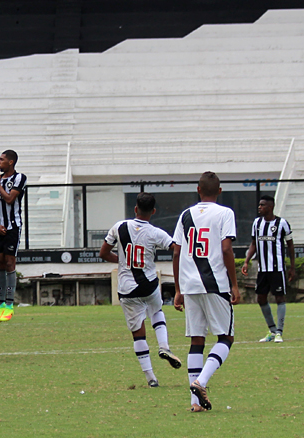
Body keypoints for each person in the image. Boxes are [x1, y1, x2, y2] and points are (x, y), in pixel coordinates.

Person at [172, 172, 241, 412]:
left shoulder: (185, 215)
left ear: (198, 190)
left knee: (197, 340)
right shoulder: (225, 213)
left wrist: (178, 289)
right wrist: (234, 285)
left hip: (190, 285)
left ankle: (194, 403)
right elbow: (226, 249)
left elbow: (176, 252)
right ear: (219, 191)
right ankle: (200, 382)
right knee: (226, 337)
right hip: (215, 284)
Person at [99, 192, 182, 387]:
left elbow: (103, 253)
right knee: (157, 311)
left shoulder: (119, 227)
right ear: (153, 211)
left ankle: (151, 378)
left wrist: (122, 261)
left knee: (138, 333)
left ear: (135, 209)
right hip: (149, 284)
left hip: (126, 288)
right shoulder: (155, 232)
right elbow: (176, 248)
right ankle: (164, 346)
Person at [241, 195, 295, 343]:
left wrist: (292, 267)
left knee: (279, 298)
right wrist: (246, 261)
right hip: (262, 269)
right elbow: (254, 244)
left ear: (270, 207)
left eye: (262, 205)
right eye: (259, 205)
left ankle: (279, 332)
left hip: (277, 268)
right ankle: (272, 330)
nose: (259, 207)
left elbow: (290, 245)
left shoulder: (282, 223)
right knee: (261, 298)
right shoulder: (257, 223)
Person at [0, 149, 27, 323]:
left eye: (1, 159)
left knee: (10, 262)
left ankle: (9, 305)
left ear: (10, 162)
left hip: (12, 227)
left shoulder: (19, 178)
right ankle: (0, 305)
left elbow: (10, 199)